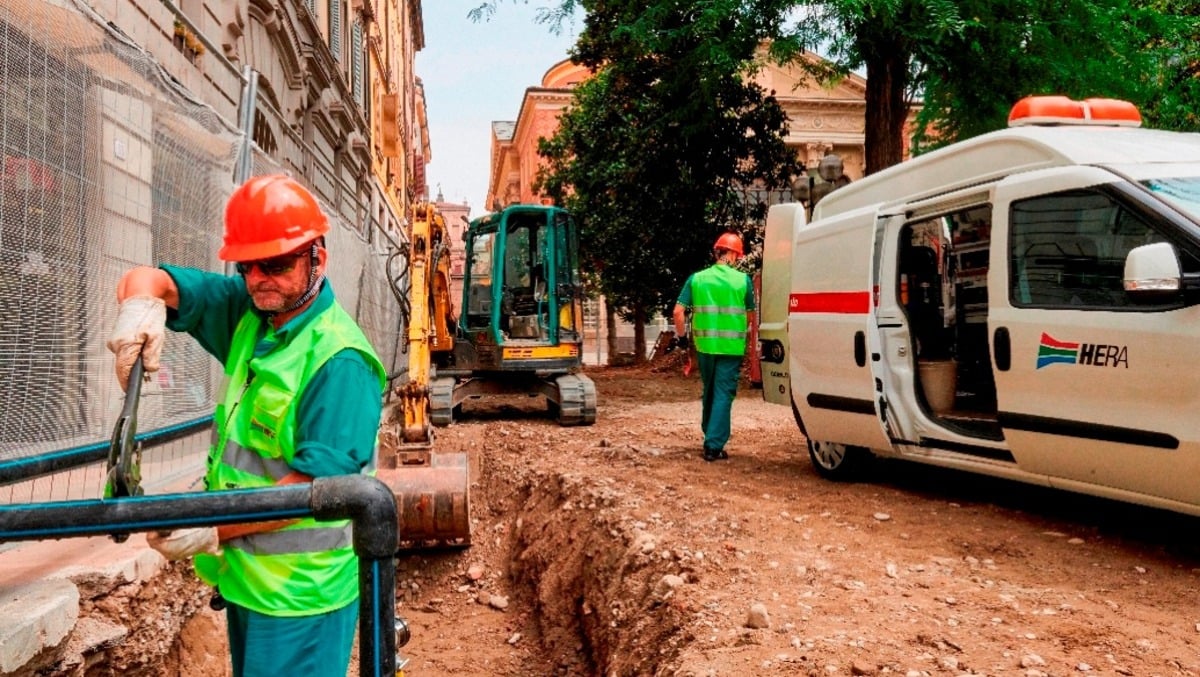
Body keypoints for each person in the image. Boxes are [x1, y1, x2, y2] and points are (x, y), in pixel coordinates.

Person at [106, 174, 385, 677]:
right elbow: (151, 280)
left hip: (300, 600)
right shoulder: (251, 312)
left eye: (275, 264)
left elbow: (316, 489)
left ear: (317, 259)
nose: (258, 278)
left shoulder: (340, 361)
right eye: (246, 265)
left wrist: (209, 525)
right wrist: (139, 307)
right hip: (246, 581)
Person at [672, 232, 756, 462]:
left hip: (705, 347)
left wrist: (682, 340)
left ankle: (709, 433)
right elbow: (750, 316)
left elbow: (678, 312)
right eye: (737, 256)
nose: (737, 260)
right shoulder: (743, 281)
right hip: (731, 348)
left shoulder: (697, 279)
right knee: (723, 393)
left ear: (716, 252)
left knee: (710, 389)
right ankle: (713, 445)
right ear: (733, 254)